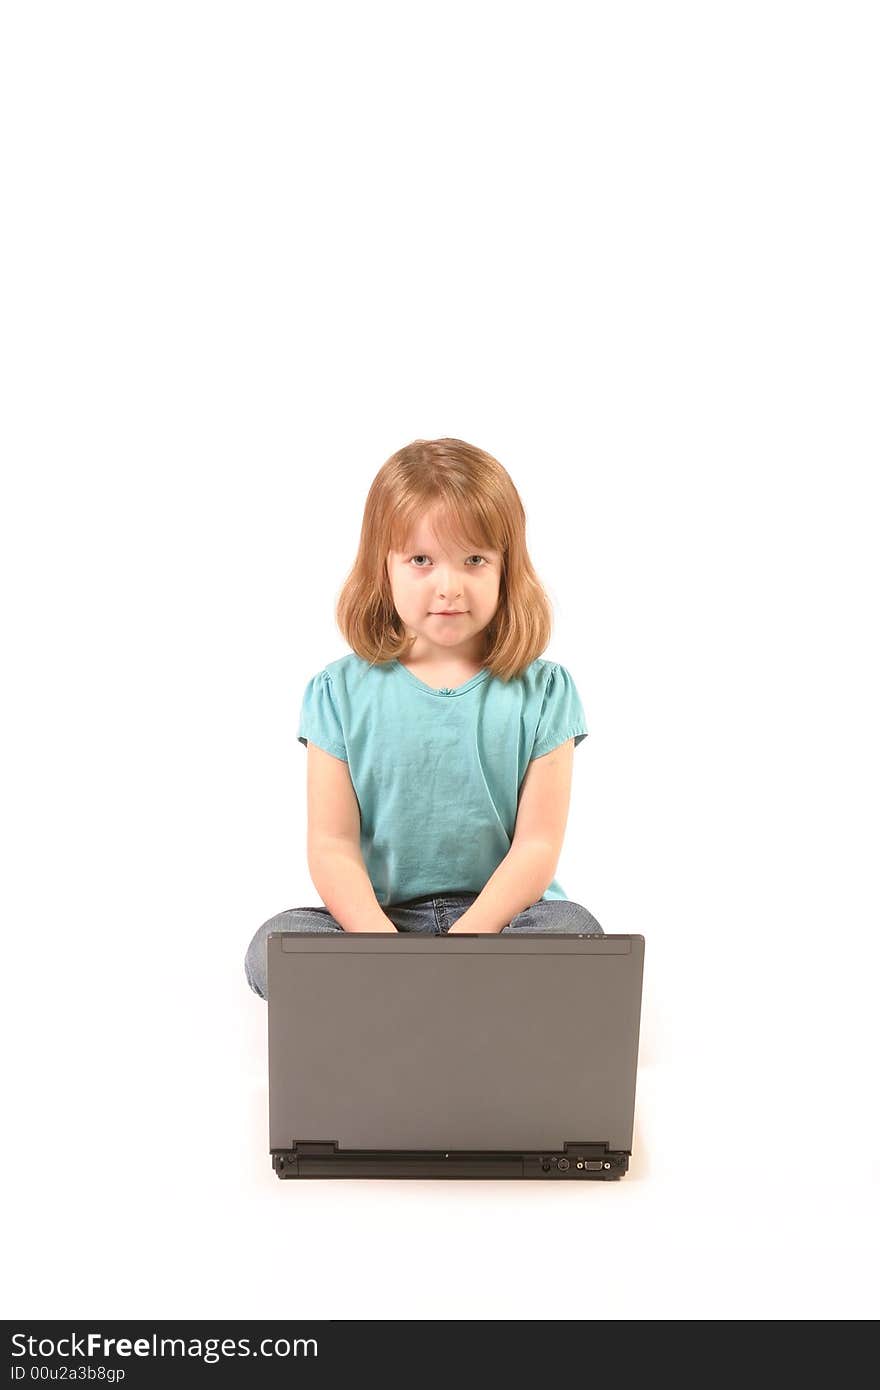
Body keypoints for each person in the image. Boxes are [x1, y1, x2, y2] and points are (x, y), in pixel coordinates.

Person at [244, 437, 604, 1001]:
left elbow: (537, 845)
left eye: (474, 560)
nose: (448, 585)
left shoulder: (545, 691)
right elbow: (332, 845)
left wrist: (467, 942)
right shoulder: (337, 693)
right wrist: (383, 948)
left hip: (502, 923)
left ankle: (431, 1008)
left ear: (506, 568)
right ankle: (433, 1004)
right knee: (276, 946)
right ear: (382, 567)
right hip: (380, 922)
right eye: (421, 560)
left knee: (575, 933)